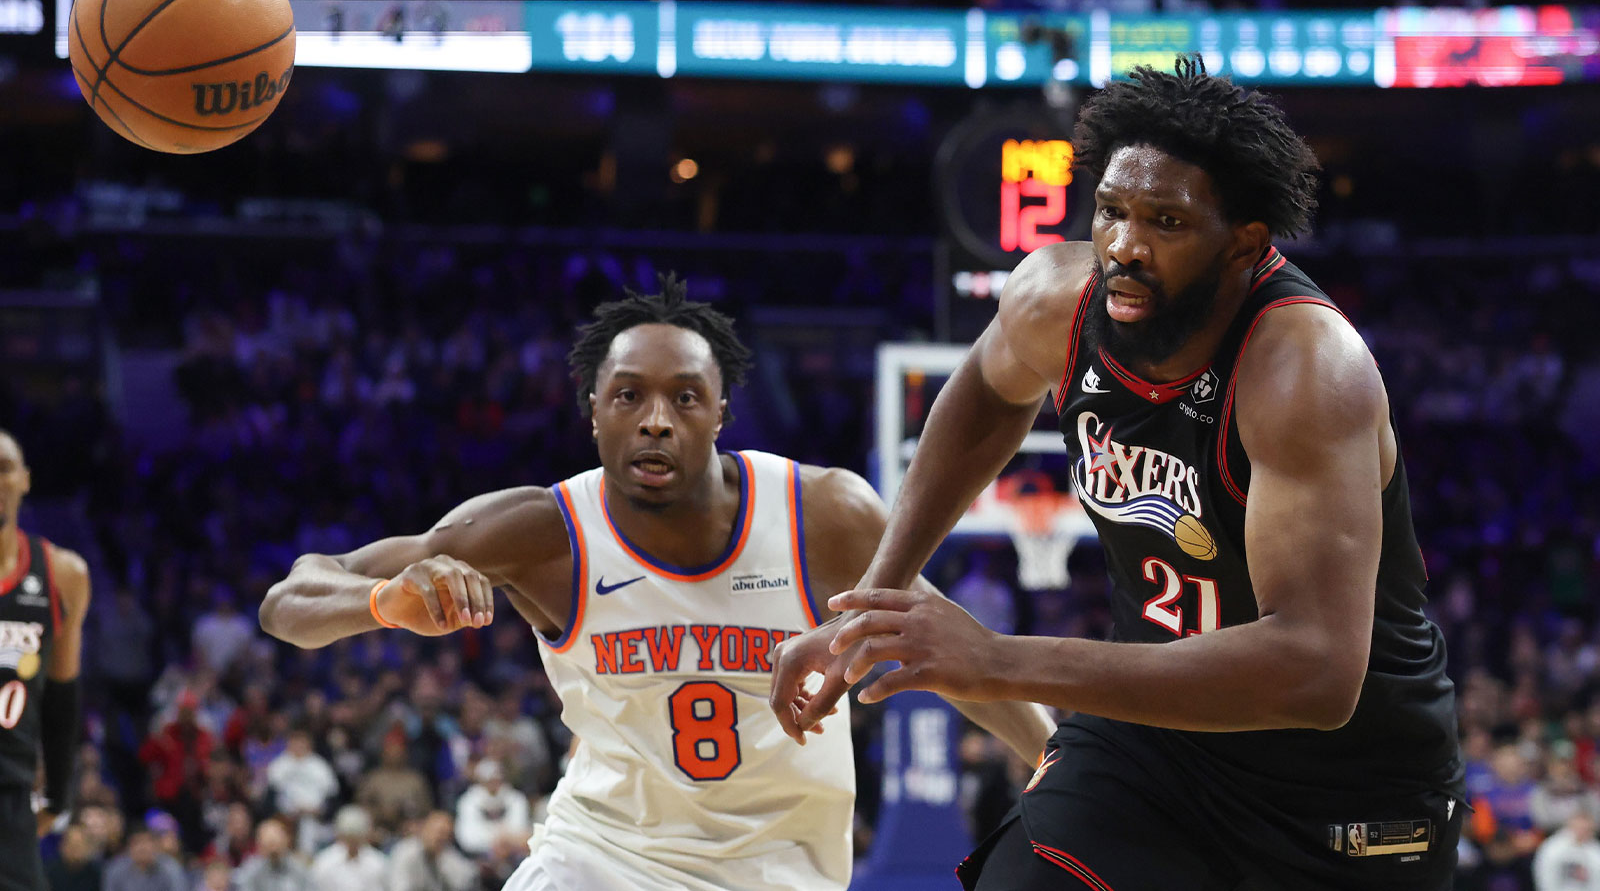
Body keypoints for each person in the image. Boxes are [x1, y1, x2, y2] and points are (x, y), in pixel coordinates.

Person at [771, 57, 1463, 890]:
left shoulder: (1305, 371)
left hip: (1345, 784)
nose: (1126, 246)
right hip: (1155, 740)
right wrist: (876, 604)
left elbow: (1314, 672)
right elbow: (985, 397)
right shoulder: (1056, 301)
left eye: (1166, 222)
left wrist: (993, 659)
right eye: (1111, 211)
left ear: (1243, 243)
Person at [260, 278, 1053, 891]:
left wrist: (1058, 765)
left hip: (777, 868)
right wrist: (383, 602)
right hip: (598, 857)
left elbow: (947, 651)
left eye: (684, 397)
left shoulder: (822, 515)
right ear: (593, 412)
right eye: (628, 395)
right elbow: (289, 601)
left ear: (720, 415)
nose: (655, 419)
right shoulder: (543, 533)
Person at [0, 431, 90, 891]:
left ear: (25, 480)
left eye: (3, 467)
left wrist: (56, 795)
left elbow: (61, 695)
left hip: (10, 794)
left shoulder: (62, 574)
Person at [308, 805, 388, 891]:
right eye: (348, 837)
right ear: (339, 835)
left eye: (356, 837)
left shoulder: (377, 863)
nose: (352, 843)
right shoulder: (324, 863)